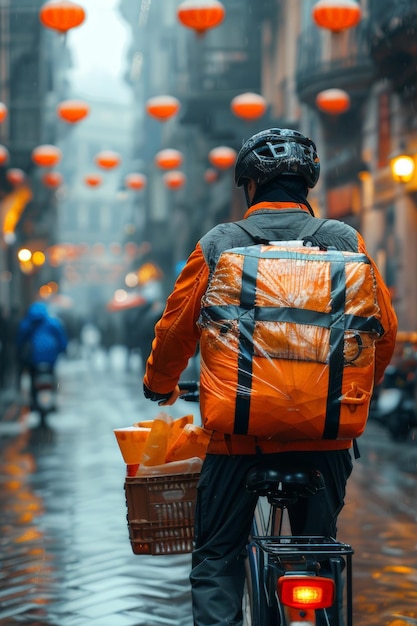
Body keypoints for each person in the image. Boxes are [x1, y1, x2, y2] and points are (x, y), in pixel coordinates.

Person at [142, 128, 398, 625]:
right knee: (317, 555)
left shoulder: (219, 243)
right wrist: (352, 393)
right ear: (308, 184)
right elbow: (380, 332)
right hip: (325, 439)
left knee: (217, 558)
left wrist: (160, 383)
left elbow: (176, 330)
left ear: (249, 186)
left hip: (239, 439)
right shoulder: (345, 241)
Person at [16, 301, 68, 408]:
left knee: (33, 378)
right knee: (52, 376)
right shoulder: (53, 323)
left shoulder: (27, 324)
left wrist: (20, 351)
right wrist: (62, 350)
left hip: (34, 358)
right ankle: (53, 398)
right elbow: (62, 340)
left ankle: (34, 402)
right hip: (51, 358)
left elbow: (20, 340)